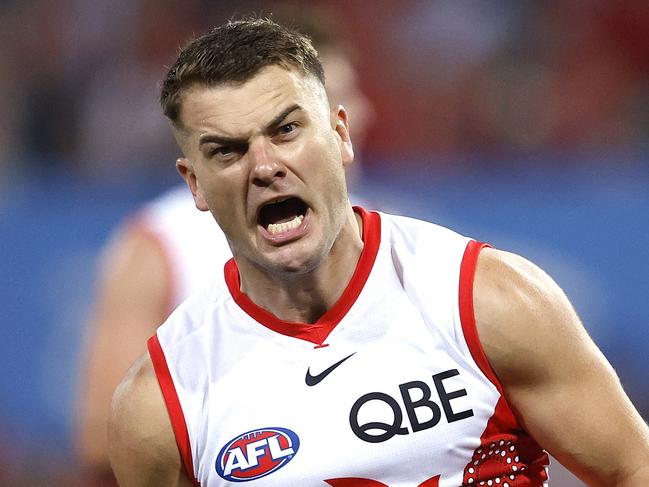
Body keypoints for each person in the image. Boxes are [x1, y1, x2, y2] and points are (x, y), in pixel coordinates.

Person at [108, 18, 649, 487]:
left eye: (287, 130)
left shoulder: (486, 299)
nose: (264, 166)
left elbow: (633, 467)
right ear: (194, 184)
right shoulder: (161, 403)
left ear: (341, 135)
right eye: (227, 150)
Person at [75, 9, 373, 482]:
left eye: (288, 127)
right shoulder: (162, 240)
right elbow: (105, 435)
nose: (268, 160)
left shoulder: (406, 245)